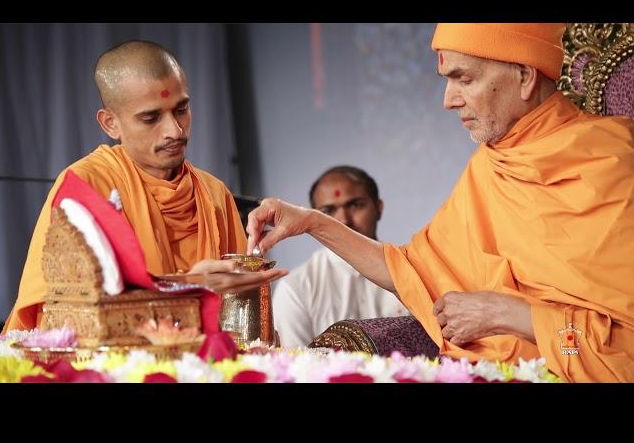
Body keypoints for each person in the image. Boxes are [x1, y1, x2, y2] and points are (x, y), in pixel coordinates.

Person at [246, 24, 634, 382]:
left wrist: (507, 314)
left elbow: (623, 349)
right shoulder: (491, 168)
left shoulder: (610, 164)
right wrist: (313, 223)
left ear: (524, 76)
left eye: (463, 78)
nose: (448, 100)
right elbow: (412, 273)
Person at [4, 40, 286, 332]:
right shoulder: (85, 187)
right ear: (110, 123)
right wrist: (188, 286)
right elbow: (66, 314)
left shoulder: (213, 193)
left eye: (182, 109)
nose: (175, 131)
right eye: (150, 118)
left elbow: (237, 317)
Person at [272, 166, 409, 347]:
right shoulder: (296, 288)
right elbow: (296, 368)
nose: (344, 220)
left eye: (356, 205)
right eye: (328, 211)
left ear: (379, 208)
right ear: (311, 218)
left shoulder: (410, 273)